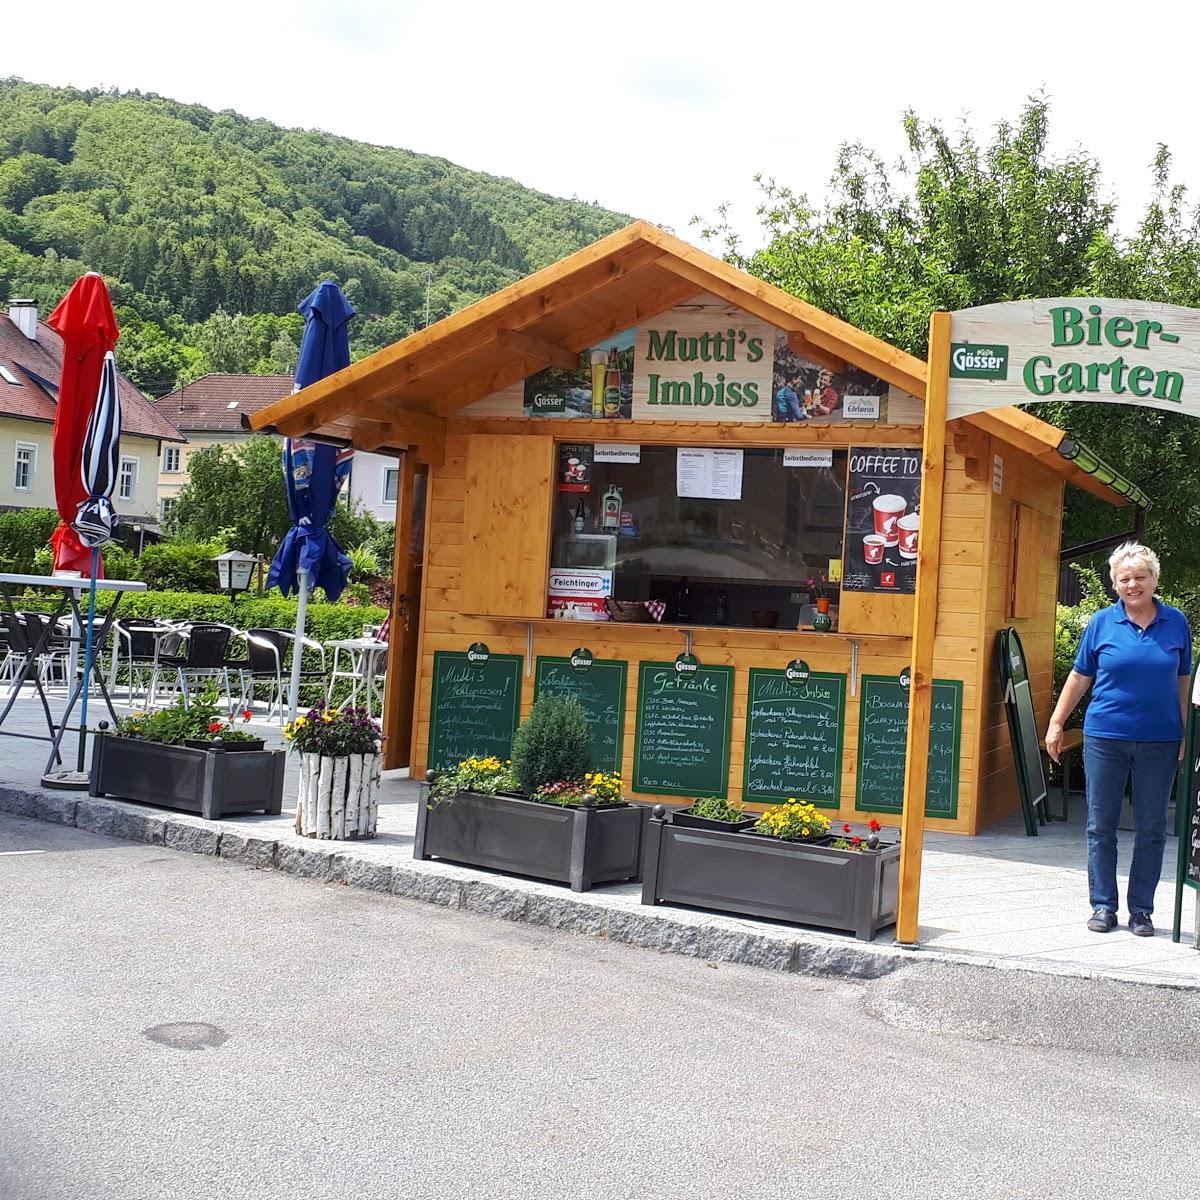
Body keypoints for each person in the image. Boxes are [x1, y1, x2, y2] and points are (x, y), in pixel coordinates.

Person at [1045, 543, 1191, 937]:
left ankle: (1141, 910)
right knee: (1100, 825)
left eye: (1140, 577)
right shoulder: (1101, 624)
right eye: (1124, 579)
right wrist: (1057, 723)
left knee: (1152, 828)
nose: (1132, 584)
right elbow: (1079, 677)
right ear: (1114, 583)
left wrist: (1186, 731)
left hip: (1159, 741)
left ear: (1154, 580)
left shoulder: (1176, 622)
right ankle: (1103, 906)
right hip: (1106, 737)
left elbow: (1183, 680)